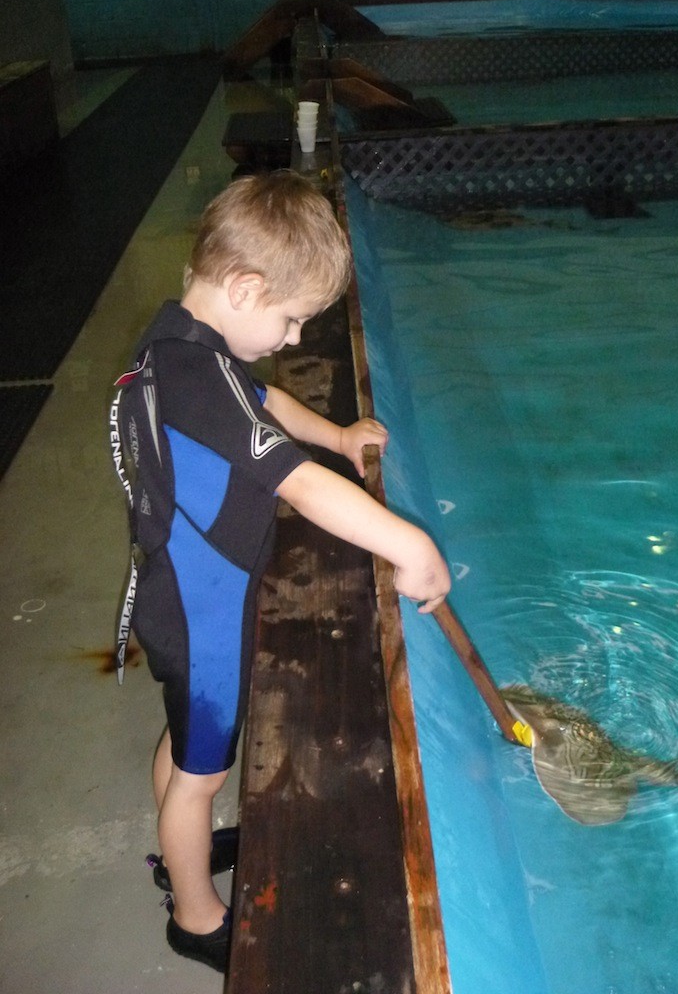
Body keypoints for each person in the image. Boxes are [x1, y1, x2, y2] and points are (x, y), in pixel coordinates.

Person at [111, 171, 450, 973]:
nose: (296, 338)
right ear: (245, 285)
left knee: (185, 738)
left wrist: (336, 434)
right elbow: (298, 485)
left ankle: (177, 837)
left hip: (169, 597)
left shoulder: (180, 344)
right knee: (205, 771)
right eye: (292, 319)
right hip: (204, 612)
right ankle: (193, 915)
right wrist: (410, 546)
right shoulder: (202, 380)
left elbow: (262, 404)